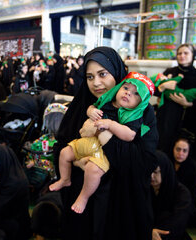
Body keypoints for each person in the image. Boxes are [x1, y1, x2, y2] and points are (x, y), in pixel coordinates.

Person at [55, 47, 158, 239]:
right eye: (90, 77)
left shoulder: (142, 112)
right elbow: (61, 146)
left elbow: (143, 162)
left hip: (118, 203)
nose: (96, 83)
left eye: (103, 74)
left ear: (118, 73)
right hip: (81, 202)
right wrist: (78, 161)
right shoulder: (83, 105)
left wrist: (99, 131)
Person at [50, 72, 154, 214]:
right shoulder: (107, 102)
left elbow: (130, 135)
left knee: (92, 170)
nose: (128, 94)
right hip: (90, 141)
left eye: (136, 94)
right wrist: (91, 111)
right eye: (125, 88)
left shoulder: (133, 116)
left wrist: (110, 124)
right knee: (65, 153)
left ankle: (83, 197)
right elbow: (92, 107)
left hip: (105, 151)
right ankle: (65, 179)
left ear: (141, 103)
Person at [155, 43, 196, 156]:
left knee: (180, 150)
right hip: (166, 117)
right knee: (163, 145)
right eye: (179, 53)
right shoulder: (170, 71)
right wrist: (162, 88)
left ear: (192, 55)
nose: (182, 56)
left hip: (187, 119)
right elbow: (156, 90)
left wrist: (187, 103)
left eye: (186, 53)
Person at [151, 151, 192, 240]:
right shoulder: (146, 186)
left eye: (155, 172)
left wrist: (155, 232)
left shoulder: (182, 194)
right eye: (149, 171)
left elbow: (178, 222)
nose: (151, 176)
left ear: (165, 170)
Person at [171, 137, 196, 228]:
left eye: (184, 151)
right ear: (173, 149)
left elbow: (193, 190)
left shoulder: (194, 167)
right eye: (178, 149)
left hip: (185, 198)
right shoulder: (167, 162)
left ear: (188, 152)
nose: (180, 153)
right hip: (168, 196)